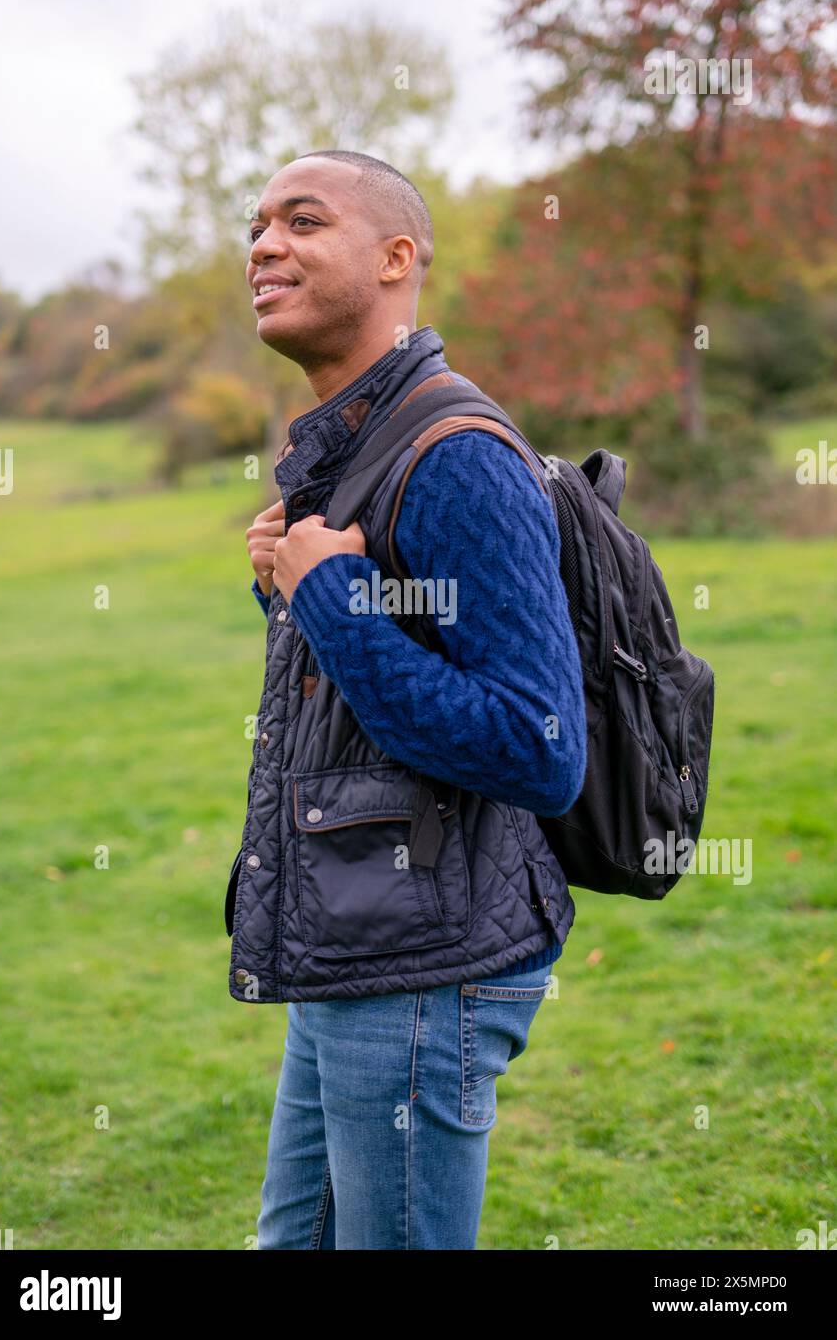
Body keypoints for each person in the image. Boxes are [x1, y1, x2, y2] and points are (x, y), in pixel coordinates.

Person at [229, 149, 586, 1250]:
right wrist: (289, 593)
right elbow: (380, 691)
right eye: (256, 226)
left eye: (301, 221)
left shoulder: (456, 452)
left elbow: (539, 747)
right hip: (354, 946)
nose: (263, 246)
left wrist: (329, 595)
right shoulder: (353, 445)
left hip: (425, 972)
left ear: (395, 259)